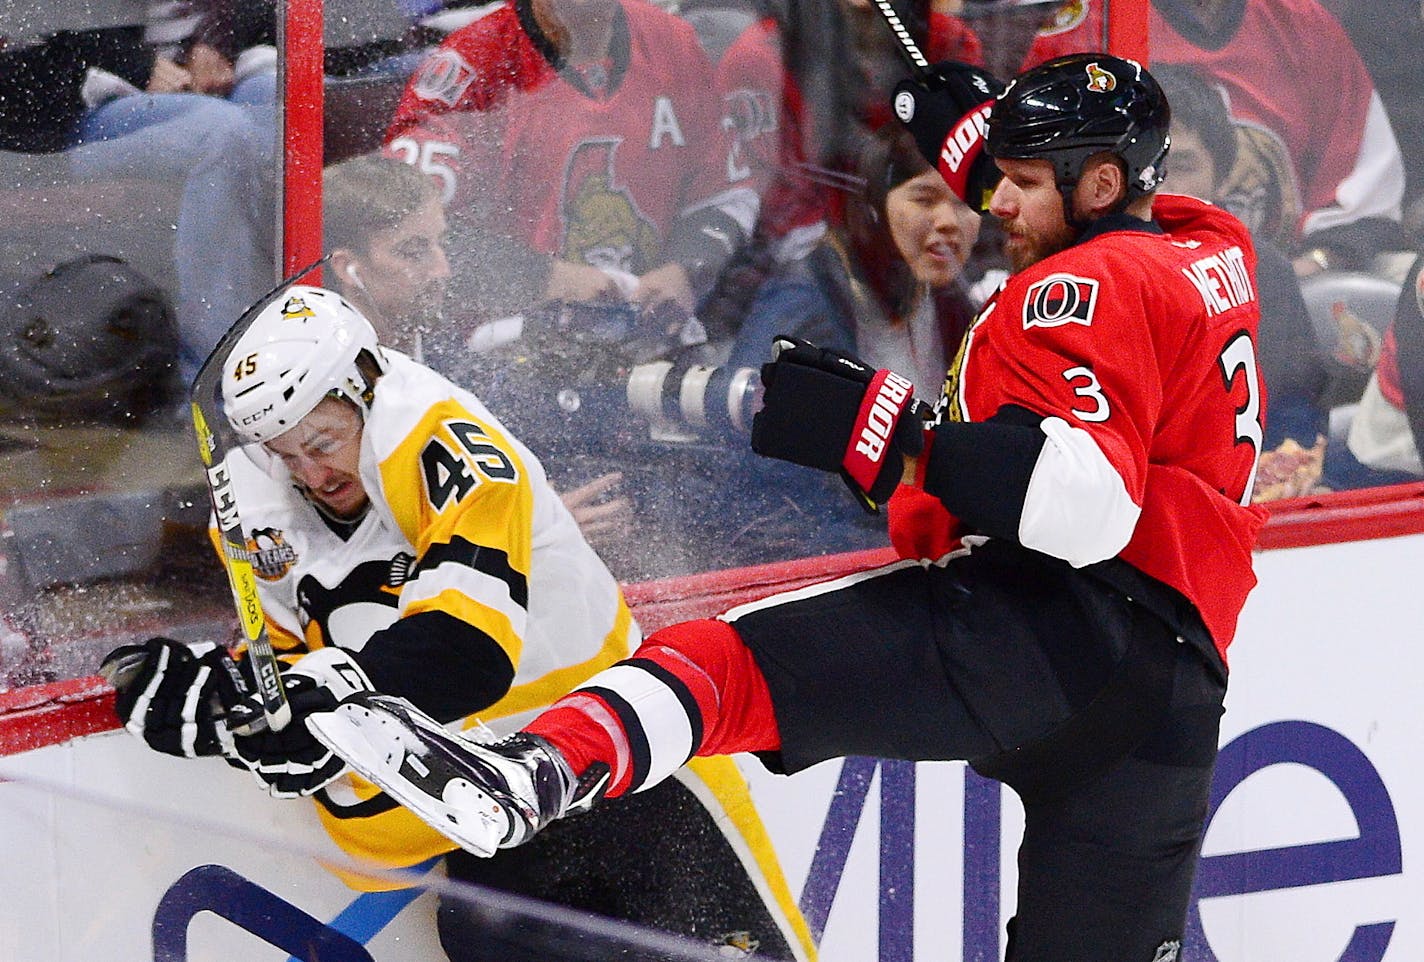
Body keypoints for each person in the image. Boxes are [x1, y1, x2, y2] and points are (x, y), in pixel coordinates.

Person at [306, 53, 1269, 961]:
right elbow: (1076, 208)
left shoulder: (1083, 281)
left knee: (729, 664)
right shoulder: (1206, 245)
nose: (995, 203)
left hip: (1048, 631)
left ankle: (532, 775)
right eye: (999, 173)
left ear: (1098, 186)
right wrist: (976, 136)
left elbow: (1087, 511)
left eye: (1021, 181)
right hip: (1170, 695)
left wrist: (886, 427)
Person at [98, 287, 815, 962]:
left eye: (321, 442)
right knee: (480, 928)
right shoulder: (256, 502)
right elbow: (297, 664)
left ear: (365, 388)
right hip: (496, 825)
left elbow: (466, 651)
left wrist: (330, 704)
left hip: (630, 778)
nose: (311, 475)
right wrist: (232, 703)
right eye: (286, 457)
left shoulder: (443, 437)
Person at [322, 152, 638, 558]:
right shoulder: (325, 395)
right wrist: (535, 529)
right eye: (414, 251)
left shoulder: (448, 355)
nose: (443, 271)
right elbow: (365, 554)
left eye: (441, 244)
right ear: (350, 268)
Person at [1151, 64, 1331, 501]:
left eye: (1185, 166)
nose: (1164, 188)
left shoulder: (1263, 269)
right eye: (1150, 166)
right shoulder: (1086, 270)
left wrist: (1283, 472)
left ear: (1222, 174)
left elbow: (1297, 407)